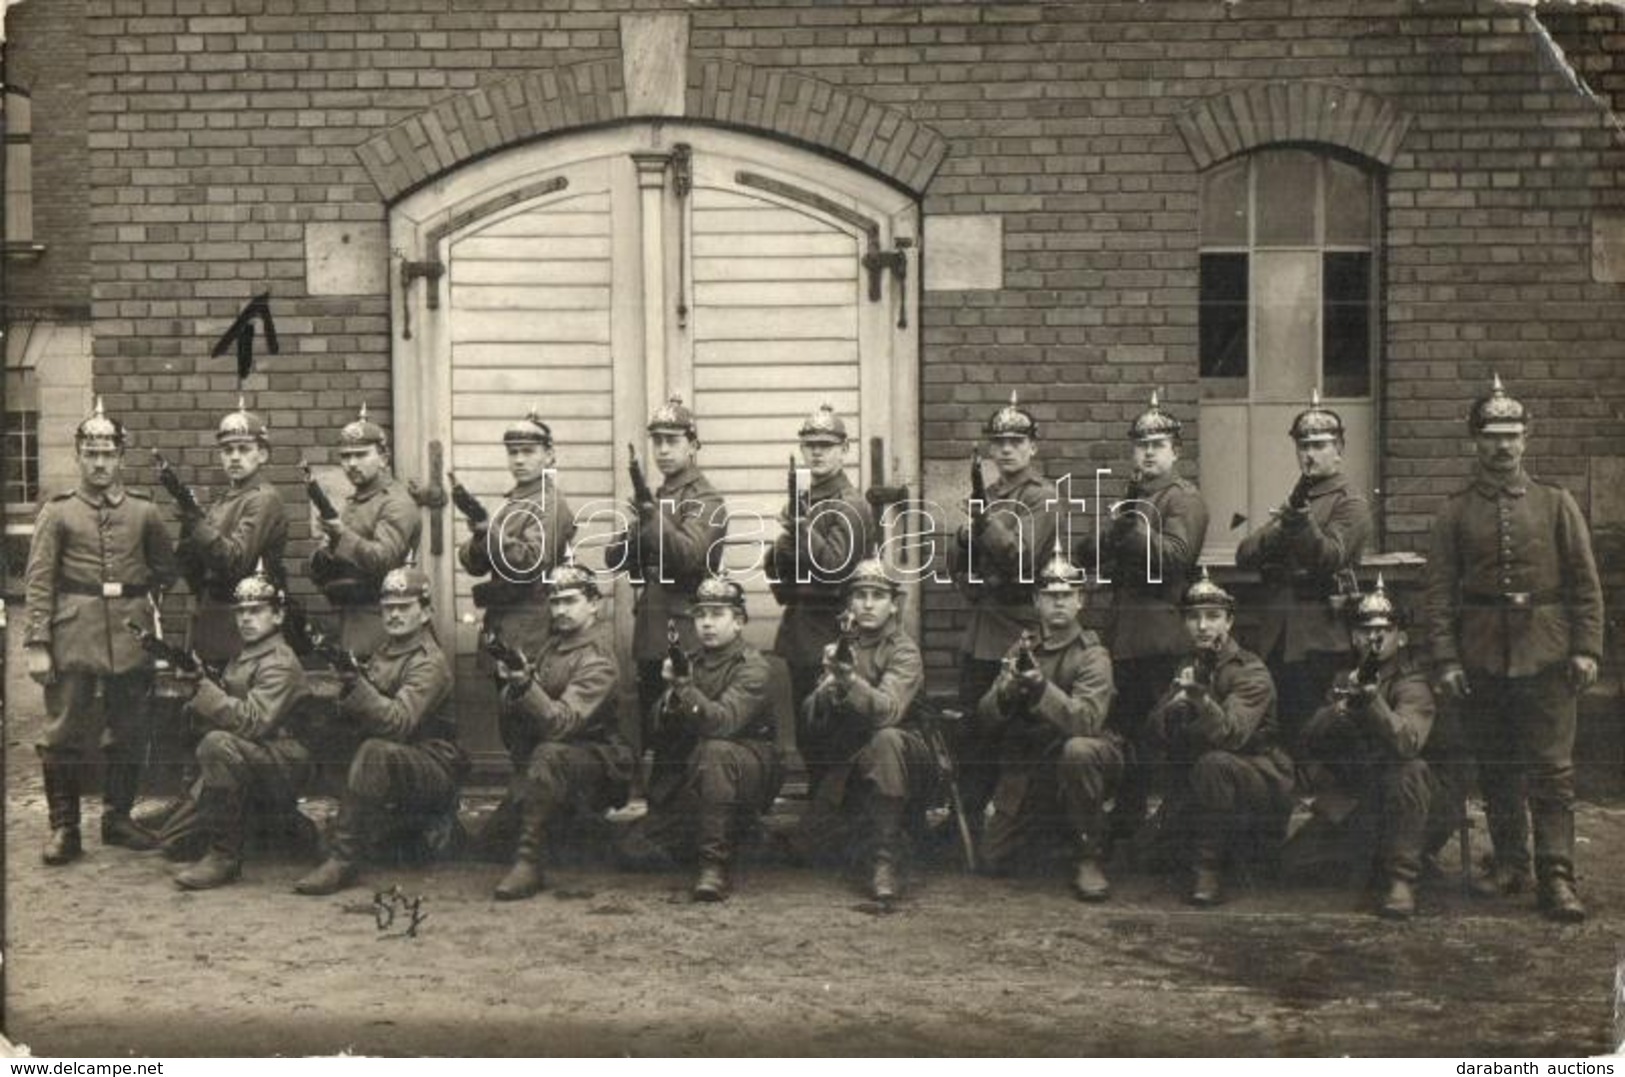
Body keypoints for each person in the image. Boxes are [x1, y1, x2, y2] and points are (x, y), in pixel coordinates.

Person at [1422, 375, 1604, 922]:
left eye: (1512, 435)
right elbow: (1437, 594)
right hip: (1480, 655)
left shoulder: (1555, 503)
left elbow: (1584, 584)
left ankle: (1557, 877)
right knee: (1496, 765)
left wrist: (1587, 649)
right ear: (1475, 442)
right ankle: (1509, 862)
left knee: (1552, 770)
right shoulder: (1454, 512)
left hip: (1547, 652)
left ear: (1527, 439)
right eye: (1492, 436)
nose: (1503, 446)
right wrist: (1446, 659)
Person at [23, 398, 179, 864]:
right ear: (78, 456)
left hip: (129, 636)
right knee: (63, 730)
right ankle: (65, 829)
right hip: (73, 634)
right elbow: (38, 579)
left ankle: (117, 819)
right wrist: (38, 642)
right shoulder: (58, 512)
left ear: (120, 458)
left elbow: (165, 571)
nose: (99, 463)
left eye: (107, 454)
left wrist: (147, 613)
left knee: (128, 728)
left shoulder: (144, 512)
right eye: (91, 454)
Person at [140, 398, 290, 833]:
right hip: (212, 620)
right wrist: (190, 532)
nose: (235, 457)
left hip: (246, 623)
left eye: (244, 449)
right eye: (227, 450)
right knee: (198, 711)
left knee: (231, 714)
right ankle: (193, 800)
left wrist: (198, 522)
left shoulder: (264, 500)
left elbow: (236, 561)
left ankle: (216, 812)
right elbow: (197, 569)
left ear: (262, 453)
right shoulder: (227, 500)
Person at [293, 567, 468, 896]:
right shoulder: (386, 651)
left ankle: (344, 859)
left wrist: (358, 687)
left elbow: (398, 723)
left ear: (426, 611)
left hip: (432, 767)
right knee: (321, 730)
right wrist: (344, 691)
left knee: (374, 751)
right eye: (389, 607)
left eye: (405, 606)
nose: (395, 614)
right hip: (398, 763)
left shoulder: (429, 662)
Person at [1290, 576, 1454, 920]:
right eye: (1365, 631)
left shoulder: (1413, 684)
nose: (1374, 638)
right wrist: (1341, 709)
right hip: (1359, 799)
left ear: (1402, 637)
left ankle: (1402, 878)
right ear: (1353, 637)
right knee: (1291, 865)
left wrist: (1373, 702)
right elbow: (1308, 742)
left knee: (1408, 770)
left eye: (1385, 630)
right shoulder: (1341, 680)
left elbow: (1407, 744)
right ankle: (1377, 855)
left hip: (1415, 803)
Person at [621, 572, 780, 902]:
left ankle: (713, 865)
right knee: (632, 850)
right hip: (696, 775)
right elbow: (658, 728)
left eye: (717, 615)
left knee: (716, 750)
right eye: (700, 615)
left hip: (745, 768)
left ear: (738, 622)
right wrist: (670, 699)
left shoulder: (753, 666)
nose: (707, 623)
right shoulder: (690, 661)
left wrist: (685, 690)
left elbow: (723, 723)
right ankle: (737, 835)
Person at [975, 544, 1120, 901]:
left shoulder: (1092, 654)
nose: (1058, 603)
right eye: (1050, 595)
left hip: (1082, 758)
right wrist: (1005, 693)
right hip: (1032, 763)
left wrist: (1041, 688)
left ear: (1080, 601)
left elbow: (1086, 721)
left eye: (1067, 595)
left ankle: (1089, 854)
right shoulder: (1021, 648)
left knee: (1078, 750)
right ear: (1036, 601)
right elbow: (985, 717)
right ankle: (1053, 832)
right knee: (993, 858)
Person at [483, 559, 632, 901]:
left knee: (549, 756)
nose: (560, 609)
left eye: (570, 601)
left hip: (597, 763)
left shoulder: (598, 658)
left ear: (594, 604)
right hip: (550, 762)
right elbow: (520, 718)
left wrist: (526, 689)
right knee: (489, 843)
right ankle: (580, 831)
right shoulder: (553, 647)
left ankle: (529, 864)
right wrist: (515, 687)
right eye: (555, 601)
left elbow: (561, 724)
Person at [1098, 390, 1208, 844]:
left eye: (1157, 445)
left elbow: (1178, 558)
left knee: (1167, 738)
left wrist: (1136, 530)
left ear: (1175, 452)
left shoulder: (1183, 498)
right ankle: (1127, 826)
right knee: (1126, 737)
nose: (1147, 452)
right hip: (1124, 634)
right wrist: (1111, 531)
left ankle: (1177, 833)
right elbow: (1092, 552)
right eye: (1141, 445)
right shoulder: (1129, 497)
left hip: (1161, 634)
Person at [1146, 569, 1294, 907]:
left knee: (1214, 764)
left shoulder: (1250, 670)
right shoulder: (1186, 665)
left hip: (1257, 780)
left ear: (1229, 622)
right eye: (1194, 618)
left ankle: (1208, 869)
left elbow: (1232, 735)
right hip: (1201, 785)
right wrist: (1175, 707)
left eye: (1213, 617)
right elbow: (1153, 731)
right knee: (1146, 857)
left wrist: (1200, 700)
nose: (1202, 626)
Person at [793, 556, 933, 901]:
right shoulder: (842, 647)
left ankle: (884, 860)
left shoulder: (904, 651)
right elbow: (810, 721)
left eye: (877, 595)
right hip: (853, 763)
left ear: (894, 605)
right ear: (849, 603)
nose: (868, 604)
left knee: (885, 740)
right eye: (860, 595)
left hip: (905, 759)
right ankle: (879, 837)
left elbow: (888, 712)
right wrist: (828, 691)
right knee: (807, 849)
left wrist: (850, 681)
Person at [1236, 390, 1373, 738]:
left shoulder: (1350, 503)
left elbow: (1329, 557)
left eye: (1319, 445)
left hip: (1321, 635)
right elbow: (1246, 554)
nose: (1309, 454)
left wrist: (1298, 522)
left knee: (1317, 727)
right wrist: (1282, 527)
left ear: (1339, 449)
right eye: (1303, 446)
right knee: (1281, 727)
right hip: (1279, 633)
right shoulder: (1297, 500)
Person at [605, 395, 728, 774]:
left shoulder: (705, 499)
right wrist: (639, 527)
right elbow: (615, 559)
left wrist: (651, 519)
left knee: (682, 728)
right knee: (654, 724)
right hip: (652, 625)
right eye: (657, 441)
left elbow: (688, 556)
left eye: (672, 440)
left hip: (686, 629)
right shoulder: (660, 498)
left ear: (693, 445)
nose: (662, 449)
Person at [171, 566, 313, 889]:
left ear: (277, 616)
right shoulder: (247, 654)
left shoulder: (279, 660)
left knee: (215, 745)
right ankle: (288, 828)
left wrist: (203, 692)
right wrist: (200, 684)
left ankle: (224, 855)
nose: (246, 619)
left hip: (285, 760)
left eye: (257, 611)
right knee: (173, 841)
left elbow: (252, 720)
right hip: (258, 755)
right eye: (241, 612)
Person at [951, 391, 1056, 822]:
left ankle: (1015, 825)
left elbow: (1024, 558)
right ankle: (971, 820)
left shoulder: (1042, 496)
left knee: (1017, 731)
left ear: (1033, 446)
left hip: (1018, 626)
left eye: (1017, 441)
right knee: (976, 730)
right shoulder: (988, 492)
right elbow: (956, 564)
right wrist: (963, 542)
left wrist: (982, 525)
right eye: (1000, 442)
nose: (1007, 449)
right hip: (982, 626)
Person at [766, 403, 874, 761]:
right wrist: (781, 548)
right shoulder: (805, 498)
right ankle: (819, 803)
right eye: (810, 444)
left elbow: (836, 569)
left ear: (844, 450)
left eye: (826, 445)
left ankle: (832, 809)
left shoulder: (851, 504)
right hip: (801, 626)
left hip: (832, 628)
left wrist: (801, 528)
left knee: (832, 732)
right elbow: (780, 570)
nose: (816, 452)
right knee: (808, 730)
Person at [457, 406, 574, 658]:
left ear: (549, 455)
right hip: (503, 620)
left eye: (528, 451)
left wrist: (490, 532)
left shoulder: (549, 502)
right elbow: (474, 565)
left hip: (532, 626)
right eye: (513, 452)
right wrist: (480, 536)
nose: (519, 460)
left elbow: (531, 563)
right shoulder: (513, 501)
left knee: (524, 693)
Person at [307, 403, 422, 655]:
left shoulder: (396, 502)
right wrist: (325, 551)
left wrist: (341, 535)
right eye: (346, 456)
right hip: (352, 620)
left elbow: (383, 559)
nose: (351, 463)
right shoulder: (356, 501)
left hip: (385, 621)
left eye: (361, 454)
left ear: (383, 458)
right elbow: (322, 571)